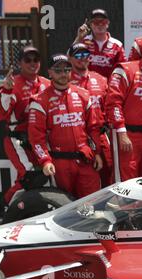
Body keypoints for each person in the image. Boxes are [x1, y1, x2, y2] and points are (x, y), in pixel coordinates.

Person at [28, 54, 103, 199]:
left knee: (92, 202)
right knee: (64, 206)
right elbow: (36, 137)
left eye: (67, 70)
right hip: (59, 164)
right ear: (49, 72)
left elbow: (93, 128)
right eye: (58, 70)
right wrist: (45, 161)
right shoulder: (40, 101)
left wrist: (97, 152)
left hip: (85, 160)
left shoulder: (83, 95)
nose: (63, 74)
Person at [0, 46, 50, 205]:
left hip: (41, 139)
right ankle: (6, 208)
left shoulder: (47, 83)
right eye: (27, 60)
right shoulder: (13, 83)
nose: (32, 63)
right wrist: (6, 92)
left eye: (36, 59)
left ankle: (32, 209)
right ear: (20, 63)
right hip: (18, 140)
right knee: (31, 175)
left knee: (40, 175)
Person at [105, 39, 142, 182]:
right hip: (127, 134)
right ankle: (123, 205)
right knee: (127, 180)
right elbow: (113, 103)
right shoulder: (125, 70)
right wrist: (121, 132)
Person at [68, 43, 113, 187]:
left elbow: (109, 105)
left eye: (85, 54)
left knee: (109, 169)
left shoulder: (100, 79)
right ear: (70, 58)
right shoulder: (65, 79)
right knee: (85, 178)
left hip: (100, 134)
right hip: (79, 137)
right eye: (78, 55)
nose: (82, 58)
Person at [74, 8, 127, 78]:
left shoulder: (117, 45)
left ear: (107, 24)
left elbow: (123, 68)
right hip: (86, 85)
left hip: (108, 86)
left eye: (103, 22)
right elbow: (69, 59)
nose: (100, 25)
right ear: (90, 24)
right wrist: (79, 38)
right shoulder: (83, 41)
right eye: (96, 22)